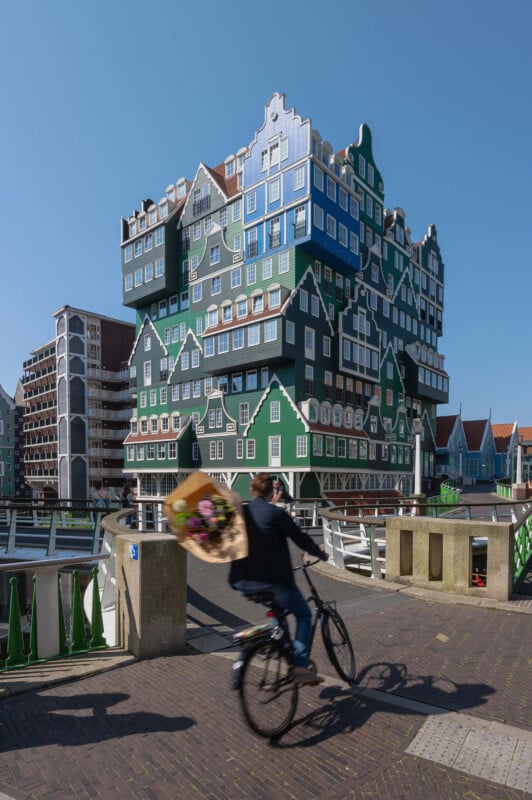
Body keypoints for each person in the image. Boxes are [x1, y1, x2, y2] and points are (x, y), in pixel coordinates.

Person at [229, 472, 328, 685]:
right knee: (303, 615)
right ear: (271, 492)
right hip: (274, 582)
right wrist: (321, 553)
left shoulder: (241, 513)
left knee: (279, 609)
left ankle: (278, 643)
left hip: (245, 582)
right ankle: (300, 667)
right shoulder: (276, 514)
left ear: (252, 490)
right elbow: (300, 538)